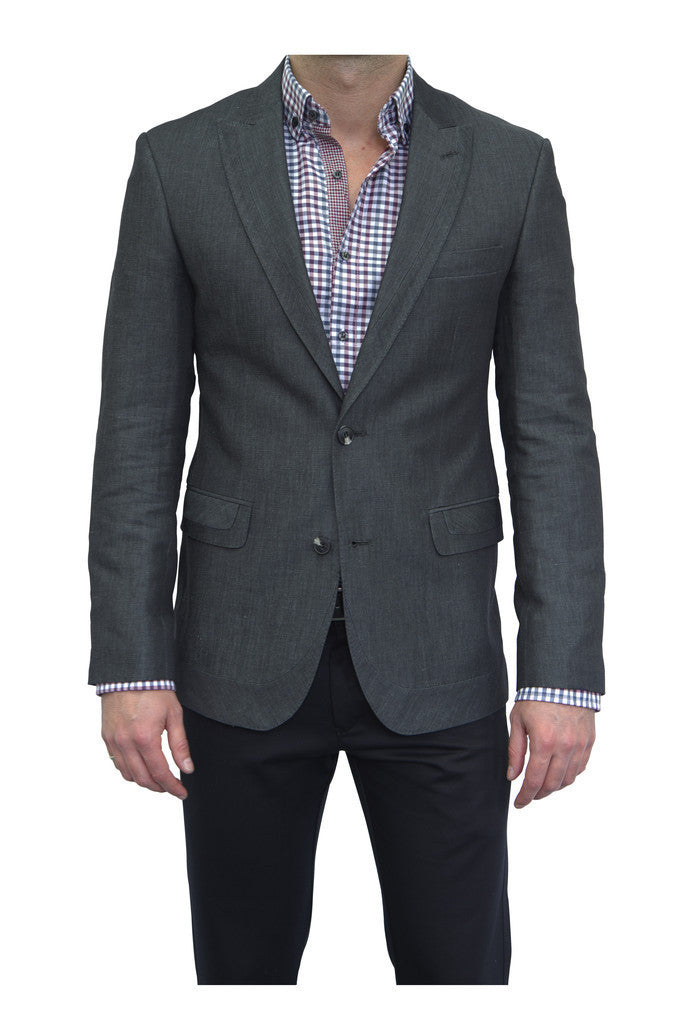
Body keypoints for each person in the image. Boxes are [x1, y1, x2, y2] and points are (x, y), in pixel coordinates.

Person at [87, 54, 605, 985]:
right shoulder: (181, 161)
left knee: (459, 975)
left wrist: (561, 670)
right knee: (242, 977)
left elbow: (550, 430)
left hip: (437, 647)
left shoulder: (509, 166)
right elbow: (137, 430)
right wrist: (131, 660)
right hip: (237, 648)